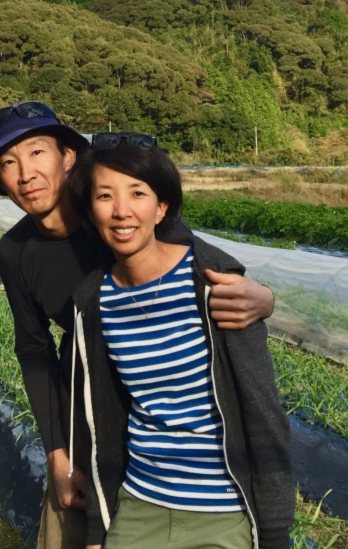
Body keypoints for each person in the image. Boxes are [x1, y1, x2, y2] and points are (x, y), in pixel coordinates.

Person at [0, 103, 274, 549]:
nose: (25, 174)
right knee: (68, 532)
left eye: (36, 153)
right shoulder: (16, 251)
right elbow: (34, 353)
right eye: (8, 163)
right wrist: (57, 455)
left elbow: (206, 266)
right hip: (85, 411)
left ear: (68, 156)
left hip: (153, 416)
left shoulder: (119, 217)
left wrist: (265, 299)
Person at [67, 134, 293, 549]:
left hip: (223, 513)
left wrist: (275, 531)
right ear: (90, 210)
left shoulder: (214, 286)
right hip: (139, 506)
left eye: (138, 193)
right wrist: (101, 527)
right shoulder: (94, 300)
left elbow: (263, 410)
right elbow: (103, 420)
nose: (121, 211)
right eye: (104, 195)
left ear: (162, 206)